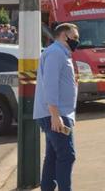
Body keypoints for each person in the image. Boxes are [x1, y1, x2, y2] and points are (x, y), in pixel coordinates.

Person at [33, 23, 79, 191]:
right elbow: (50, 86)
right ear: (62, 36)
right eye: (74, 37)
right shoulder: (56, 54)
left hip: (57, 112)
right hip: (56, 113)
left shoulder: (60, 53)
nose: (76, 41)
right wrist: (55, 114)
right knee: (67, 156)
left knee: (53, 156)